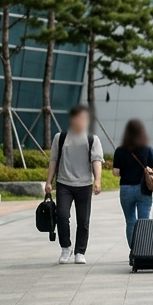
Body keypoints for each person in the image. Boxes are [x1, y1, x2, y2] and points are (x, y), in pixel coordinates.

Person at [47, 105, 103, 265]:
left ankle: (80, 252)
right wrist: (48, 181)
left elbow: (96, 161)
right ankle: (66, 247)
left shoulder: (92, 139)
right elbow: (53, 161)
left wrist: (97, 180)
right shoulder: (61, 137)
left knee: (83, 220)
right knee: (62, 216)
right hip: (64, 183)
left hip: (85, 184)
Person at [112, 119, 153, 250]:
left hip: (126, 189)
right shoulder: (147, 148)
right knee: (144, 221)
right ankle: (143, 251)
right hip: (144, 189)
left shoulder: (120, 150)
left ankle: (134, 251)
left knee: (130, 221)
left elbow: (116, 172)